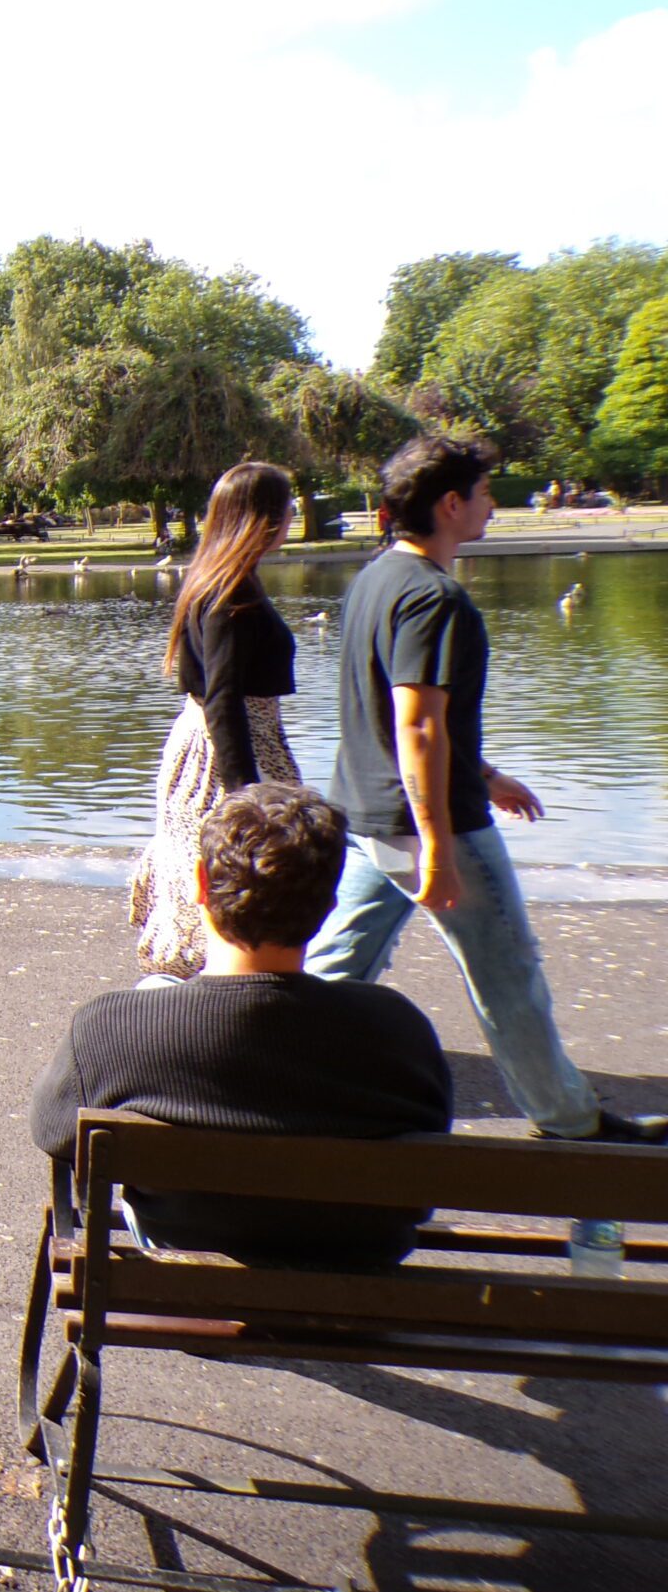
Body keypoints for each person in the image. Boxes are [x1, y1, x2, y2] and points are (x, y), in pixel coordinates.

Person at [305, 438, 658, 1143]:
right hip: (433, 827)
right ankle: (567, 1120)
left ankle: (259, 1070)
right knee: (508, 974)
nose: (494, 505)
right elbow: (417, 726)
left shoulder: (375, 579)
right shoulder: (435, 598)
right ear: (450, 504)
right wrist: (438, 838)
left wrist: (486, 775)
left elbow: (395, 714)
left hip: (371, 817)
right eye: (486, 492)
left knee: (337, 970)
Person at [36, 784, 453, 1266]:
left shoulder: (111, 1027)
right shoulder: (400, 1029)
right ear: (330, 902)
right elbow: (428, 1150)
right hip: (358, 1267)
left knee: (153, 988)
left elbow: (55, 1132)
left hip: (185, 1272)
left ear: (199, 883)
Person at [129, 461, 300, 979]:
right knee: (241, 880)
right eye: (287, 507)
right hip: (227, 751)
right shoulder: (232, 593)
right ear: (263, 518)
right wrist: (245, 796)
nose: (293, 515)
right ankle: (201, 1004)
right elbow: (224, 698)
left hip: (210, 743)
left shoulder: (219, 579)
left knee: (224, 886)